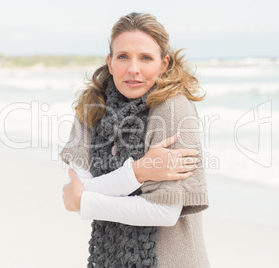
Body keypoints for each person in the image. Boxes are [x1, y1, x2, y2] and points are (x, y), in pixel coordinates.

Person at [60, 12, 209, 268]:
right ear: (110, 62)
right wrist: (140, 171)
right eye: (123, 57)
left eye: (146, 58)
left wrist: (85, 201)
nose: (133, 69)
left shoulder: (173, 108)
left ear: (164, 64)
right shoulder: (92, 107)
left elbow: (164, 211)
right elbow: (79, 185)